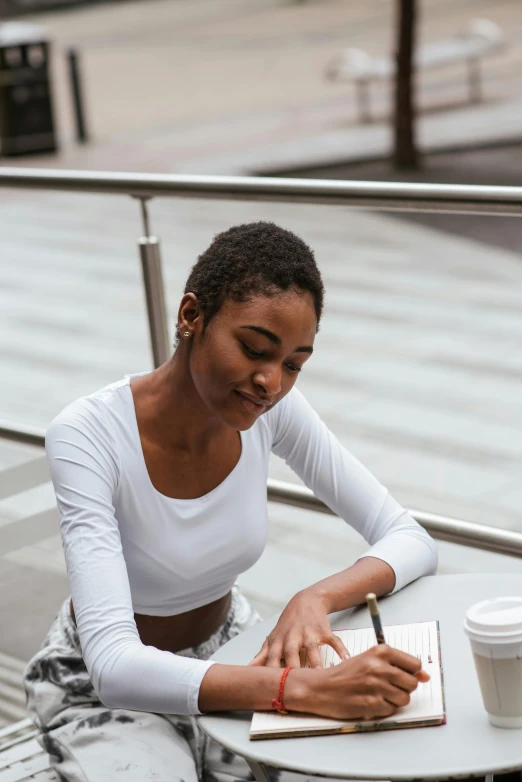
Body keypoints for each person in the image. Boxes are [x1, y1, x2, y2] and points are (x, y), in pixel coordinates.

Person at [24, 221, 437, 782]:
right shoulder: (87, 435)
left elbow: (409, 538)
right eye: (254, 349)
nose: (271, 382)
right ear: (192, 316)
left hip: (233, 650)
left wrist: (314, 598)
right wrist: (300, 689)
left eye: (294, 363)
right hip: (102, 690)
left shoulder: (272, 411)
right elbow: (115, 666)